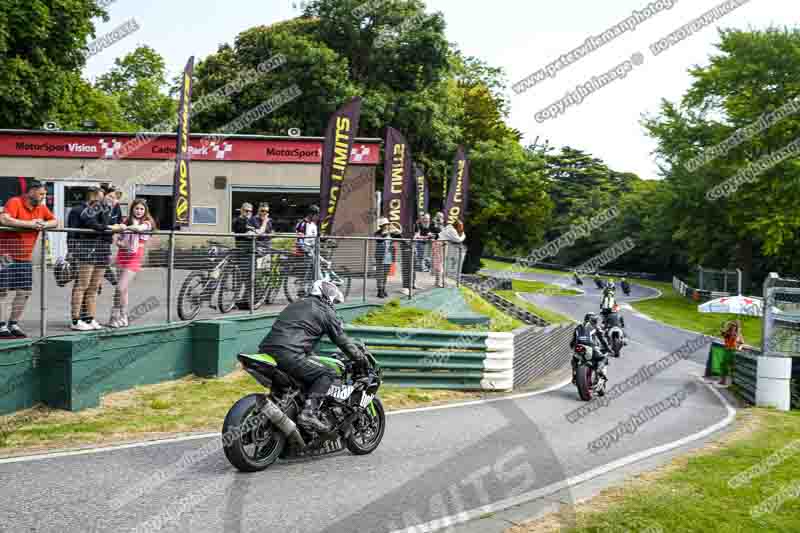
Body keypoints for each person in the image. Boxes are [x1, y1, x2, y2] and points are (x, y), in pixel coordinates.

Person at [257, 279, 367, 433]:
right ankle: (309, 413)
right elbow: (342, 341)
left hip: (266, 351)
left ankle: (280, 420)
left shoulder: (296, 304)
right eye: (333, 300)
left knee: (287, 390)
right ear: (327, 295)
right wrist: (361, 359)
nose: (333, 304)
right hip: (289, 354)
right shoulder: (325, 311)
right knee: (328, 373)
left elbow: (297, 333)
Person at [0, 181, 57, 338]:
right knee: (2, 291)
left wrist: (44, 224)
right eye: (41, 194)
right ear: (31, 191)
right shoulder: (15, 202)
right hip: (5, 256)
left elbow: (56, 221)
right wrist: (30, 224)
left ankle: (13, 323)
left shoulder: (41, 208)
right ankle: (1, 326)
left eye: (45, 194)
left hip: (25, 257)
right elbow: (4, 220)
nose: (43, 197)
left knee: (24, 292)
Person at [67, 187, 126, 331]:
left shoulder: (105, 208)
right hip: (86, 249)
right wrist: (112, 228)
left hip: (101, 250)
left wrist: (109, 225)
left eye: (113, 198)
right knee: (82, 285)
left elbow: (105, 225)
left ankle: (90, 318)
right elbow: (93, 224)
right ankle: (75, 320)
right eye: (104, 197)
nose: (108, 200)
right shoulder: (84, 209)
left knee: (94, 287)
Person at [108, 199, 155, 328]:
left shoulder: (147, 223)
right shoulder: (125, 221)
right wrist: (120, 242)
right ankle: (123, 316)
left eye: (141, 209)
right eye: (136, 208)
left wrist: (125, 228)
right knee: (123, 290)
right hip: (122, 255)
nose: (139, 211)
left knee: (119, 288)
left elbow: (139, 228)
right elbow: (116, 238)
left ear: (145, 211)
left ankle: (114, 316)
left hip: (134, 258)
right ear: (132, 209)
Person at [569, 312, 610, 384]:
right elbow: (602, 339)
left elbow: (572, 342)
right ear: (593, 320)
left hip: (579, 347)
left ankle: (574, 374)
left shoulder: (578, 327)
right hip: (591, 347)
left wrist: (573, 348)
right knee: (603, 358)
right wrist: (608, 348)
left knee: (574, 360)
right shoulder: (595, 327)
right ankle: (598, 369)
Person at [438, 219, 466, 287]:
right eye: (460, 226)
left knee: (441, 264)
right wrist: (463, 235)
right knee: (440, 264)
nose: (461, 228)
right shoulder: (452, 230)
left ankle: (439, 281)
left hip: (441, 244)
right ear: (457, 226)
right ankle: (439, 282)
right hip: (440, 245)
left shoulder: (449, 227)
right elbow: (458, 239)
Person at [373, 217, 396, 298]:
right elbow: (378, 239)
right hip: (380, 256)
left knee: (385, 274)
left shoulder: (391, 233)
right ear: (381, 226)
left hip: (388, 256)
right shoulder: (377, 233)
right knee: (380, 273)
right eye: (385, 225)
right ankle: (379, 290)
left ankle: (383, 289)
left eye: (387, 224)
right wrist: (386, 232)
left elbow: (400, 236)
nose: (386, 226)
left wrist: (396, 231)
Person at [718, 320, 744, 386]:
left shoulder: (738, 334)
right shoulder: (727, 333)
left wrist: (739, 348)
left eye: (734, 326)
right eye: (732, 325)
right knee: (724, 365)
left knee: (733, 367)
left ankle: (733, 382)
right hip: (727, 350)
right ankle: (723, 380)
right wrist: (724, 324)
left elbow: (742, 343)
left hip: (734, 351)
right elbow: (721, 332)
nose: (733, 327)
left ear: (736, 327)